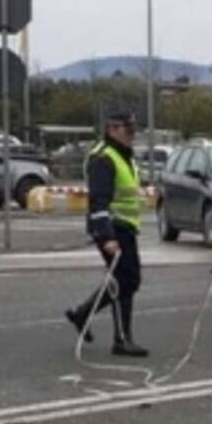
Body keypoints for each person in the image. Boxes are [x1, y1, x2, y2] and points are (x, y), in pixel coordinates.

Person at [65, 111, 149, 357]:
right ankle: (121, 339)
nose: (132, 135)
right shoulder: (103, 158)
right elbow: (98, 201)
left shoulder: (122, 155)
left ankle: (83, 314)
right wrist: (107, 236)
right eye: (128, 130)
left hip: (125, 225)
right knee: (127, 280)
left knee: (125, 279)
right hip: (112, 227)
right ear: (113, 129)